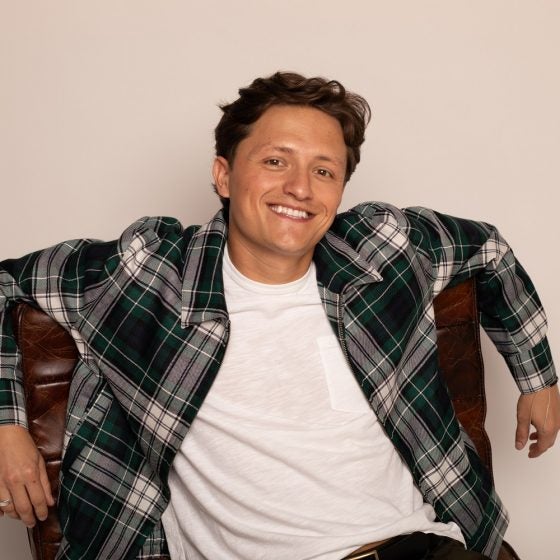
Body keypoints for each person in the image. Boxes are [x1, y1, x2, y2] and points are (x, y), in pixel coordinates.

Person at [0, 72, 558, 560]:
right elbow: (5, 283)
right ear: (223, 175)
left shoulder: (381, 249)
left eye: (324, 171)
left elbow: (487, 249)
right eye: (275, 161)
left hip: (416, 546)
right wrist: (6, 424)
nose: (299, 188)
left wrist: (537, 378)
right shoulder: (148, 272)